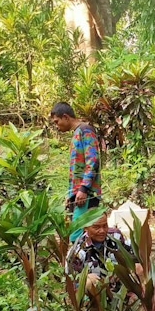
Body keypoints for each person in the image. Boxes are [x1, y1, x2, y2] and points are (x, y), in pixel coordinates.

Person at [50, 102, 102, 242]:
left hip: (87, 194)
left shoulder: (86, 131)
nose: (56, 126)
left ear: (66, 117)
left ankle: (82, 263)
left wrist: (83, 188)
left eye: (57, 121)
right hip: (79, 194)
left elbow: (93, 160)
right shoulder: (78, 133)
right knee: (78, 235)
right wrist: (72, 193)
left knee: (78, 237)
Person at [65, 212, 142, 298]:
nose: (102, 231)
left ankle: (135, 301)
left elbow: (134, 254)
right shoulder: (78, 250)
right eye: (96, 227)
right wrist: (85, 279)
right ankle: (96, 308)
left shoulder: (116, 236)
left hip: (119, 286)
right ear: (86, 227)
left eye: (105, 225)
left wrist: (135, 266)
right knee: (89, 281)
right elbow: (70, 281)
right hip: (95, 295)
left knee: (139, 268)